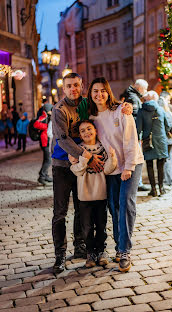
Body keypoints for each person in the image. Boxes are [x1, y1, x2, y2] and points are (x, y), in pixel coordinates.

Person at [51, 72, 132, 274]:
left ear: (81, 85)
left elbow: (110, 108)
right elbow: (62, 139)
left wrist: (129, 107)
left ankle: (84, 248)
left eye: (76, 85)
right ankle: (60, 256)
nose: (73, 89)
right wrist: (86, 154)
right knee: (60, 212)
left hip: (87, 164)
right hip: (63, 164)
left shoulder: (89, 103)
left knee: (83, 209)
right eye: (69, 86)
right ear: (64, 88)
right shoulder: (59, 109)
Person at [88, 77, 144, 272]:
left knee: (126, 203)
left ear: (108, 92)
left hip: (131, 163)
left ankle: (125, 250)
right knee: (114, 206)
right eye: (95, 91)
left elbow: (131, 140)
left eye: (103, 90)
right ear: (90, 94)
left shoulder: (121, 110)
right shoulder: (92, 117)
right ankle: (120, 246)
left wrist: (128, 167)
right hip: (111, 168)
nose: (99, 94)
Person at [69, 120, 117, 268]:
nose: (86, 132)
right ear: (80, 135)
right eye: (82, 131)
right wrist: (83, 160)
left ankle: (101, 251)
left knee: (101, 224)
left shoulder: (102, 148)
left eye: (89, 129)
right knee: (87, 227)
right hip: (85, 195)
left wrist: (112, 156)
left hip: (101, 194)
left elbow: (108, 169)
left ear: (96, 130)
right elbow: (77, 170)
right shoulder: (79, 150)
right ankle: (90, 252)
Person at [137, 91, 170, 197]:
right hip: (161, 141)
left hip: (148, 142)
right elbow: (167, 126)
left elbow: (138, 129)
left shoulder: (141, 111)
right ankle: (161, 188)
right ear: (155, 99)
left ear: (146, 99)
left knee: (150, 165)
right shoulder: (161, 109)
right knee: (161, 165)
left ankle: (153, 190)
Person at [120, 79, 149, 191]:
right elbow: (134, 118)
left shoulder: (131, 95)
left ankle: (137, 182)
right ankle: (137, 183)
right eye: (145, 88)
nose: (145, 91)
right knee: (135, 158)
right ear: (139, 88)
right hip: (134, 134)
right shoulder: (133, 98)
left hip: (135, 134)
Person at [158, 91, 172, 186]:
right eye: (168, 99)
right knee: (168, 160)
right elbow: (169, 125)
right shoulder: (164, 108)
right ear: (164, 98)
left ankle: (169, 179)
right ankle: (169, 179)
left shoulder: (160, 107)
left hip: (164, 138)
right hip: (168, 138)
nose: (169, 101)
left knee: (167, 160)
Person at [34, 103, 53, 185]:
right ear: (48, 110)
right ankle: (42, 176)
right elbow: (36, 124)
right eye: (51, 109)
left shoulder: (47, 116)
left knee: (47, 159)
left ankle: (45, 175)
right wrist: (47, 126)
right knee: (49, 160)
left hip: (46, 140)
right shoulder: (44, 116)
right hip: (44, 141)